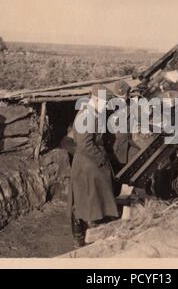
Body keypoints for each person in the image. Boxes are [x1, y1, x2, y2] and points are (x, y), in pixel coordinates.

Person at [68, 84, 119, 248]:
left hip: (90, 162)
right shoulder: (86, 116)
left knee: (92, 201)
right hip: (87, 165)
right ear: (96, 99)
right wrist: (102, 159)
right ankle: (84, 238)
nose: (106, 106)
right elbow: (84, 144)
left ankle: (89, 234)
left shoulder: (93, 113)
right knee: (88, 202)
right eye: (105, 102)